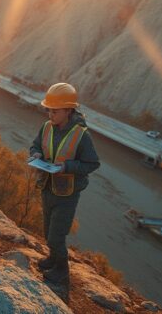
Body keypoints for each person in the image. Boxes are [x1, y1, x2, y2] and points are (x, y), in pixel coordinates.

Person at [28, 82, 100, 295]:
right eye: (48, 109)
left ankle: (62, 272)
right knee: (47, 230)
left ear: (68, 111)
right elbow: (35, 145)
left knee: (56, 236)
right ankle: (52, 258)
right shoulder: (46, 127)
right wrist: (36, 154)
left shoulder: (81, 136)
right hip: (47, 188)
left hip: (67, 194)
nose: (50, 113)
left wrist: (67, 167)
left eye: (55, 110)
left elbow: (92, 164)